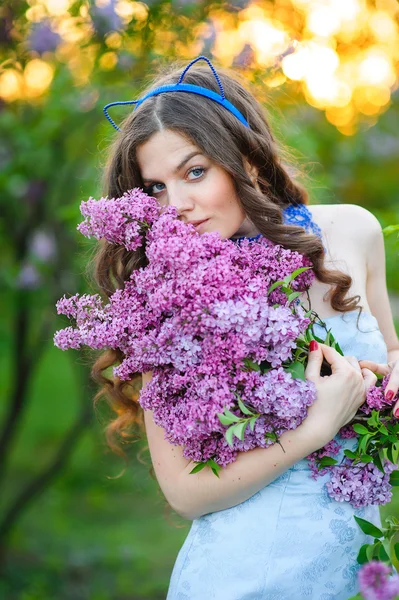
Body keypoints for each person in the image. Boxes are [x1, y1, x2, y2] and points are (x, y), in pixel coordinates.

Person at [91, 56, 399, 599]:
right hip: (246, 577)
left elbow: (391, 349)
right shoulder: (167, 305)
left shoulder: (354, 229)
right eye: (155, 188)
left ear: (247, 156)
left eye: (194, 171)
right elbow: (186, 493)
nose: (179, 206)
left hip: (361, 566)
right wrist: (317, 427)